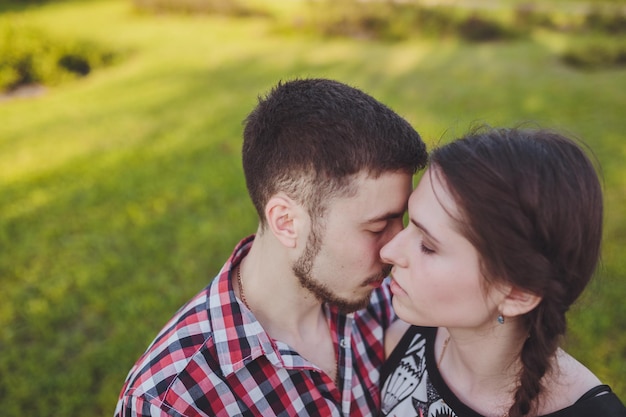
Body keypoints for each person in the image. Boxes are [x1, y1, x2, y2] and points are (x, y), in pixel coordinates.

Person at [114, 78, 428, 416]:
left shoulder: (387, 298)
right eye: (378, 227)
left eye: (403, 219)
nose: (398, 248)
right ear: (287, 222)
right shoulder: (172, 401)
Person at [378, 126, 626, 417]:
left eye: (429, 247)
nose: (388, 252)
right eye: (410, 224)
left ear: (517, 294)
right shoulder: (400, 339)